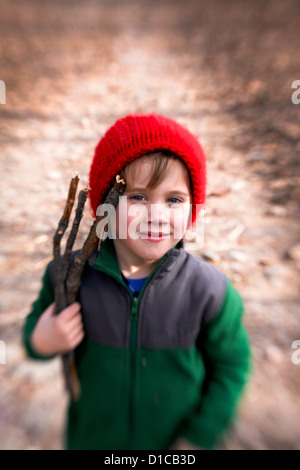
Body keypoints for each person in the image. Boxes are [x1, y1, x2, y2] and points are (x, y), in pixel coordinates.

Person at [22, 113, 251, 450]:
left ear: (192, 210)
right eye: (139, 197)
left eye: (173, 199)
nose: (156, 215)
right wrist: (42, 340)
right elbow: (33, 334)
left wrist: (200, 437)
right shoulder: (68, 276)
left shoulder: (210, 291)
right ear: (106, 207)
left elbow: (232, 366)